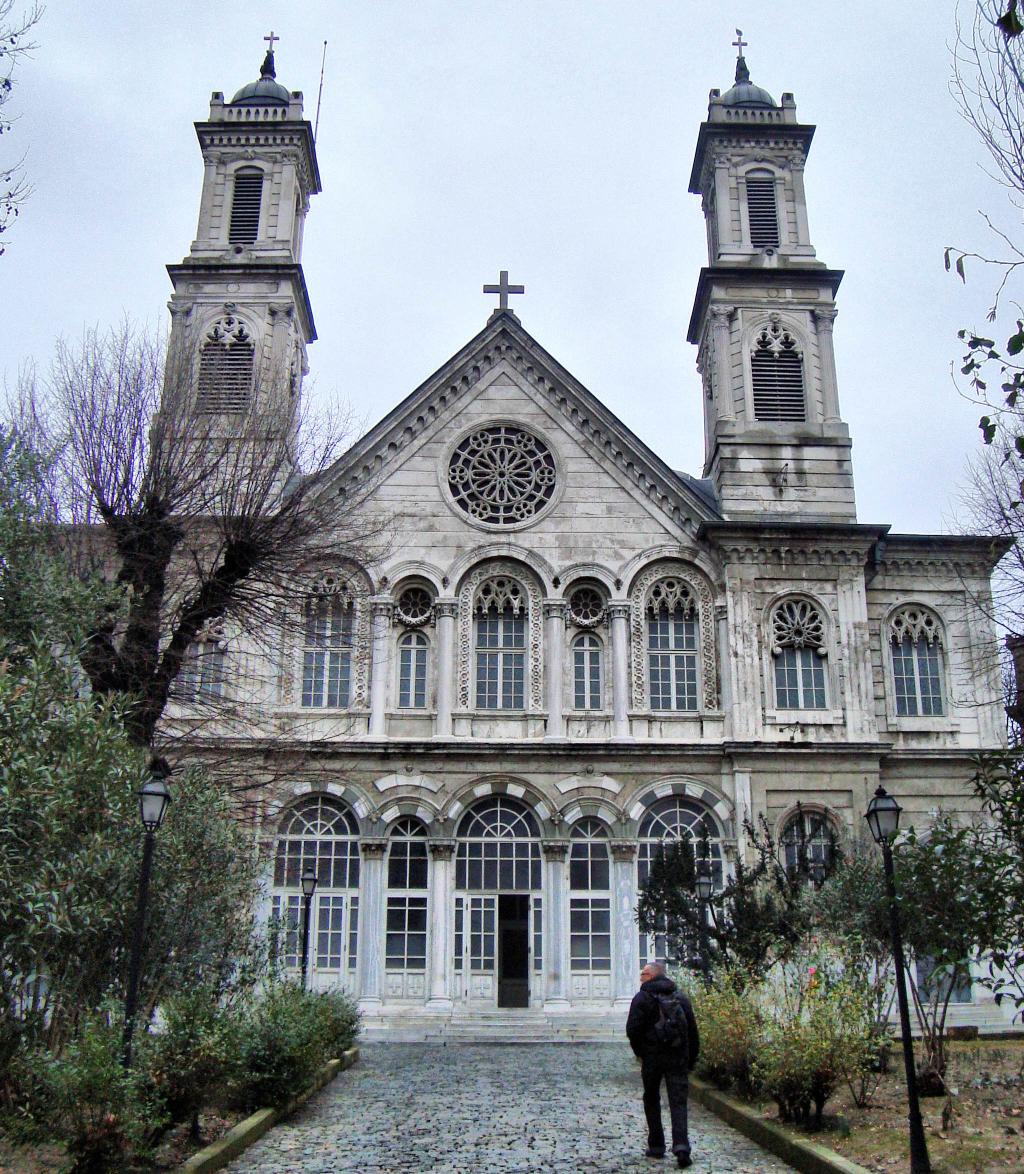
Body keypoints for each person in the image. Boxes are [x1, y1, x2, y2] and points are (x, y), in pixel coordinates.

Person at [626, 961, 700, 1168]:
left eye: (643, 973)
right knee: (678, 1102)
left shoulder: (642, 998)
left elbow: (632, 1029)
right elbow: (692, 1031)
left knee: (651, 1098)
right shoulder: (680, 997)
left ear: (651, 976)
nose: (641, 977)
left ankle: (657, 1145)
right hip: (677, 1056)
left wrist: (641, 1053)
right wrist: (690, 1058)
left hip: (652, 1057)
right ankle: (682, 1146)